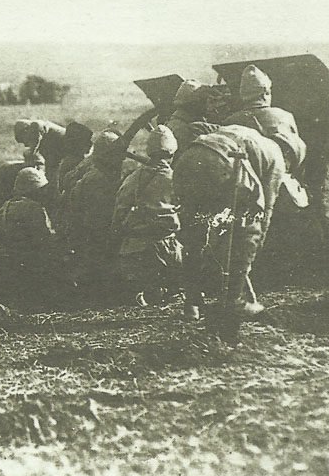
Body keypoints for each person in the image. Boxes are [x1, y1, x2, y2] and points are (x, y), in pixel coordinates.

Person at [168, 79, 305, 318]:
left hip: (190, 158)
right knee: (249, 231)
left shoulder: (243, 131)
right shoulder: (276, 157)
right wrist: (250, 252)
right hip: (222, 160)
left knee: (195, 233)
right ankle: (233, 301)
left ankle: (192, 304)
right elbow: (265, 212)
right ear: (291, 154)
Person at [113, 125, 182, 307]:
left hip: (135, 248)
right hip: (168, 248)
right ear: (172, 153)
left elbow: (119, 211)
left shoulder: (132, 178)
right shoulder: (176, 178)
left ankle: (142, 290)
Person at [0, 166, 67, 299]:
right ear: (36, 190)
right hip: (18, 260)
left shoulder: (8, 204)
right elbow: (44, 239)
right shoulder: (34, 208)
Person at [63, 130, 127, 293]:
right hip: (93, 230)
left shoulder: (91, 171)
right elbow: (98, 217)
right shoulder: (97, 180)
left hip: (85, 229)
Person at [0, 150, 47, 224]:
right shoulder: (9, 171)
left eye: (41, 164)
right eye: (36, 164)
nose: (37, 168)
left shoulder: (44, 174)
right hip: (2, 199)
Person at [13, 119, 67, 183]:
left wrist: (31, 153)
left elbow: (35, 146)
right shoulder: (42, 137)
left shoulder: (36, 125)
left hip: (68, 149)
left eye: (23, 140)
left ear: (26, 130)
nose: (25, 145)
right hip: (60, 151)